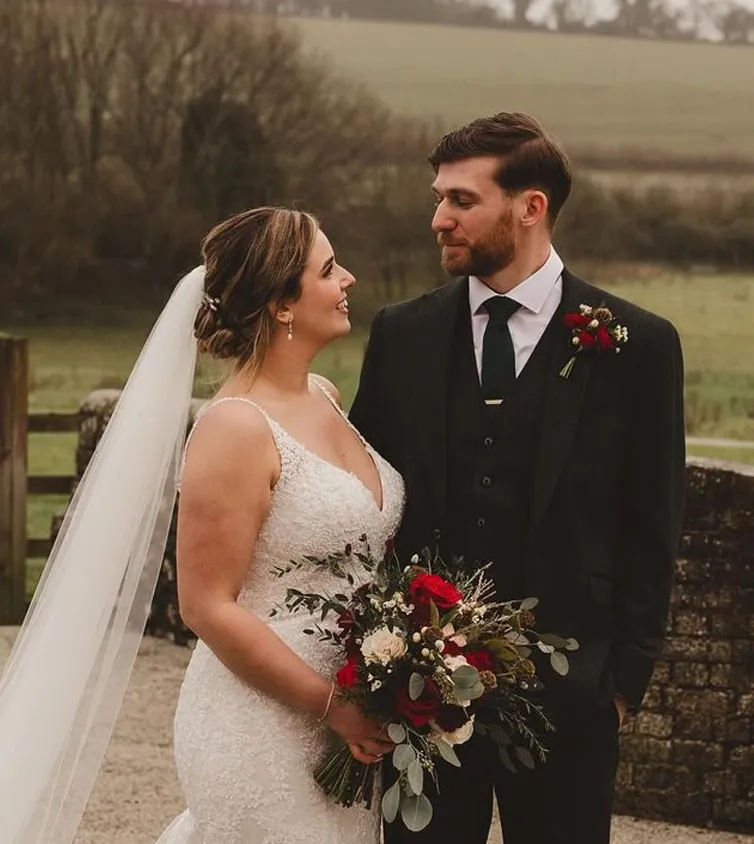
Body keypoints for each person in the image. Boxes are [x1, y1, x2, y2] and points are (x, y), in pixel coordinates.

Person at [0, 207, 401, 844]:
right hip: (264, 723)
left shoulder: (322, 395)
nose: (348, 278)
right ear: (281, 305)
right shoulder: (234, 427)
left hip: (348, 716)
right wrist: (332, 705)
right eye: (328, 269)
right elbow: (206, 605)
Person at [349, 112, 686, 844]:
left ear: (531, 207)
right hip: (420, 693)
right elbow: (364, 503)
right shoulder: (400, 333)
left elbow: (653, 520)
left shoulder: (638, 345)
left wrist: (622, 684)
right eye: (438, 197)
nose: (439, 219)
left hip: (573, 694)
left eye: (461, 200)